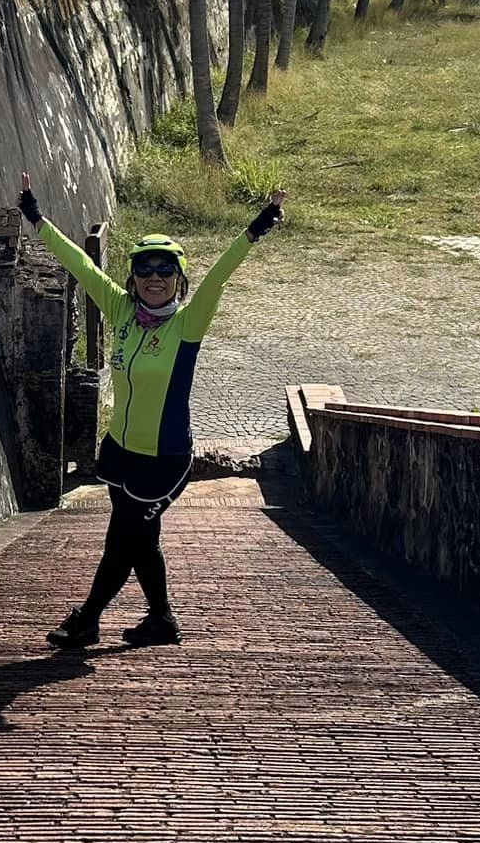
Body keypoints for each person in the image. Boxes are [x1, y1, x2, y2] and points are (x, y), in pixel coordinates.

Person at [17, 170, 285, 650]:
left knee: (122, 542)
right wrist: (37, 218)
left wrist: (258, 225)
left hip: (164, 461)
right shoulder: (120, 310)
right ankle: (161, 620)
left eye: (165, 271)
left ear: (178, 278)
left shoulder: (187, 323)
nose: (155, 278)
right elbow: (80, 265)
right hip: (119, 453)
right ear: (133, 277)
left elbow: (221, 272)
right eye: (145, 270)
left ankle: (87, 619)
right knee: (140, 540)